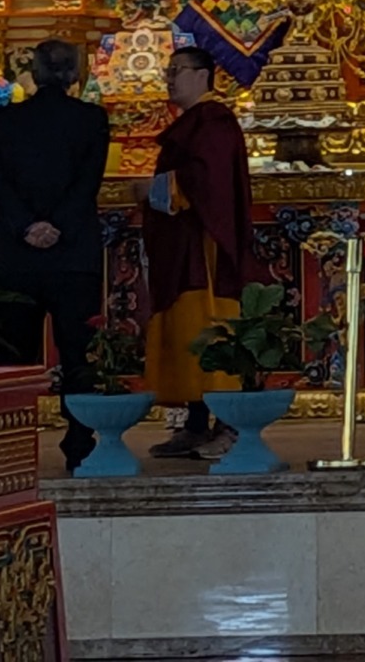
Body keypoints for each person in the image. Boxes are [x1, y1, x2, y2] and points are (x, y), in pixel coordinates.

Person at [0, 40, 112, 471]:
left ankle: (9, 448)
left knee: (11, 357)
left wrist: (26, 225)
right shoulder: (91, 119)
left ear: (33, 74)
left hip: (14, 255)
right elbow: (88, 181)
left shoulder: (3, 120)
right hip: (72, 255)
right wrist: (59, 226)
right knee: (77, 354)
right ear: (75, 75)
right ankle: (79, 444)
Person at [137, 44, 256, 460]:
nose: (170, 79)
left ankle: (228, 425)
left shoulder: (214, 120)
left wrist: (156, 189)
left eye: (178, 70)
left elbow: (208, 181)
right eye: (168, 71)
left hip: (206, 250)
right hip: (181, 245)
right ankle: (194, 423)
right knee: (186, 331)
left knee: (207, 327)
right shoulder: (193, 122)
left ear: (204, 75)